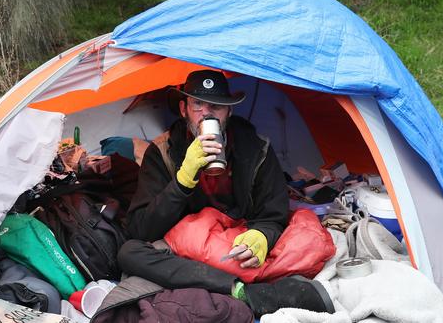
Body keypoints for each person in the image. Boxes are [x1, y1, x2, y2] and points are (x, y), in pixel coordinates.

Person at [117, 70, 335, 317]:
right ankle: (243, 292)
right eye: (197, 104)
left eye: (217, 106)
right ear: (183, 108)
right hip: (188, 247)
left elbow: (272, 214)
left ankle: (226, 283)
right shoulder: (162, 151)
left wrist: (261, 236)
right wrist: (182, 180)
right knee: (129, 253)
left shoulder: (256, 147)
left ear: (229, 112)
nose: (206, 113)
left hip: (237, 244)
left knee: (308, 238)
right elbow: (141, 229)